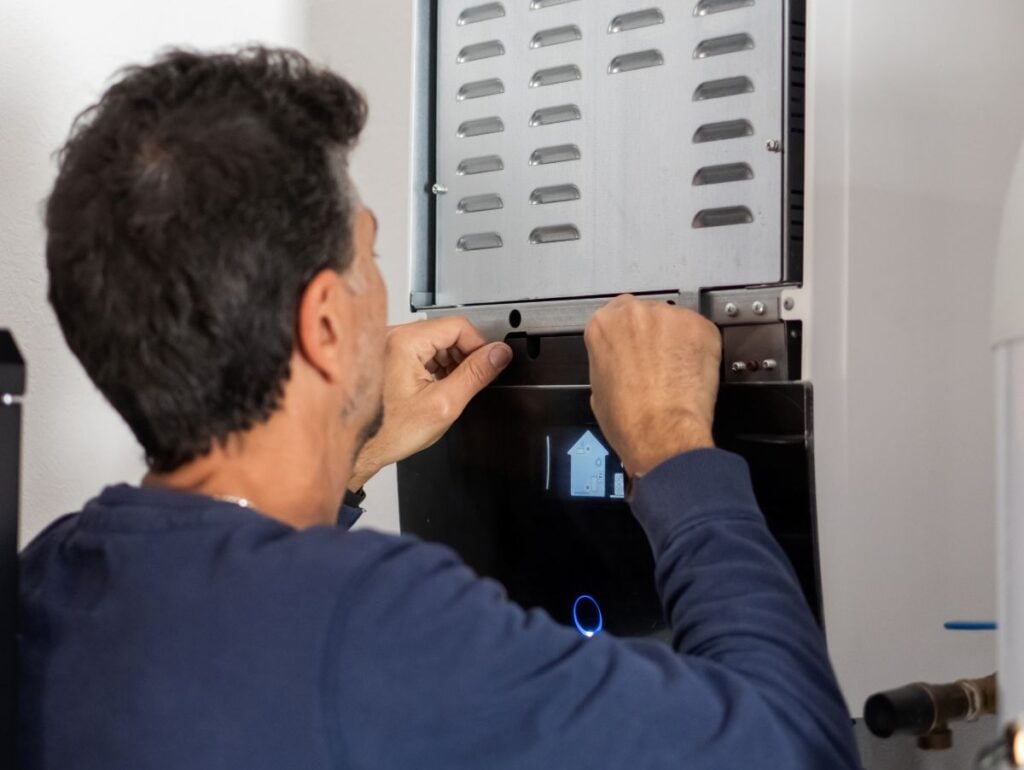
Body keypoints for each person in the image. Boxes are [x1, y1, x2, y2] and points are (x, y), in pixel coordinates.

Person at [19, 47, 860, 769]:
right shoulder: (371, 623)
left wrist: (347, 452)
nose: (384, 295)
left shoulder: (52, 578)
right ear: (322, 324)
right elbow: (794, 748)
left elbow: (237, 632)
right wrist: (674, 447)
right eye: (370, 255)